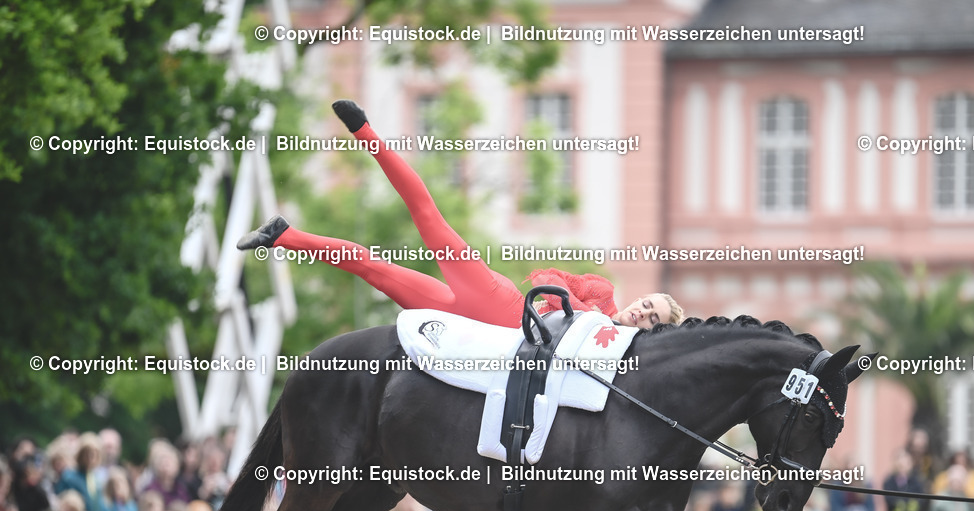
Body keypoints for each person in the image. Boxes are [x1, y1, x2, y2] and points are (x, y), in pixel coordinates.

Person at [237, 100, 683, 330]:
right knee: (427, 216)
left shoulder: (625, 353)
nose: (644, 312)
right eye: (649, 304)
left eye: (653, 317)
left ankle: (282, 235)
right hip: (493, 300)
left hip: (477, 332)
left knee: (376, 270)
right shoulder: (603, 295)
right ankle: (364, 130)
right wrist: (585, 313)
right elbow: (551, 279)